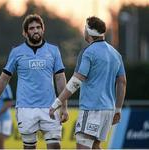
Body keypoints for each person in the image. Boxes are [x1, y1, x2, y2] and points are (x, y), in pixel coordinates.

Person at [0, 14, 68, 149]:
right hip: (25, 108)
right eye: (31, 28)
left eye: (38, 27)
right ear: (25, 33)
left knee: (54, 146)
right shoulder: (16, 52)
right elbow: (4, 78)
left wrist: (64, 106)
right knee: (29, 147)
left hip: (50, 107)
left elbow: (60, 79)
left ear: (43, 29)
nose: (35, 30)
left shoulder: (53, 51)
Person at [49, 16, 127, 149]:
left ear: (88, 32)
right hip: (108, 109)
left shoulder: (88, 52)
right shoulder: (115, 54)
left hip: (92, 109)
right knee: (95, 146)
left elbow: (76, 81)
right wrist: (118, 109)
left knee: (83, 147)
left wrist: (57, 102)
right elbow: (122, 82)